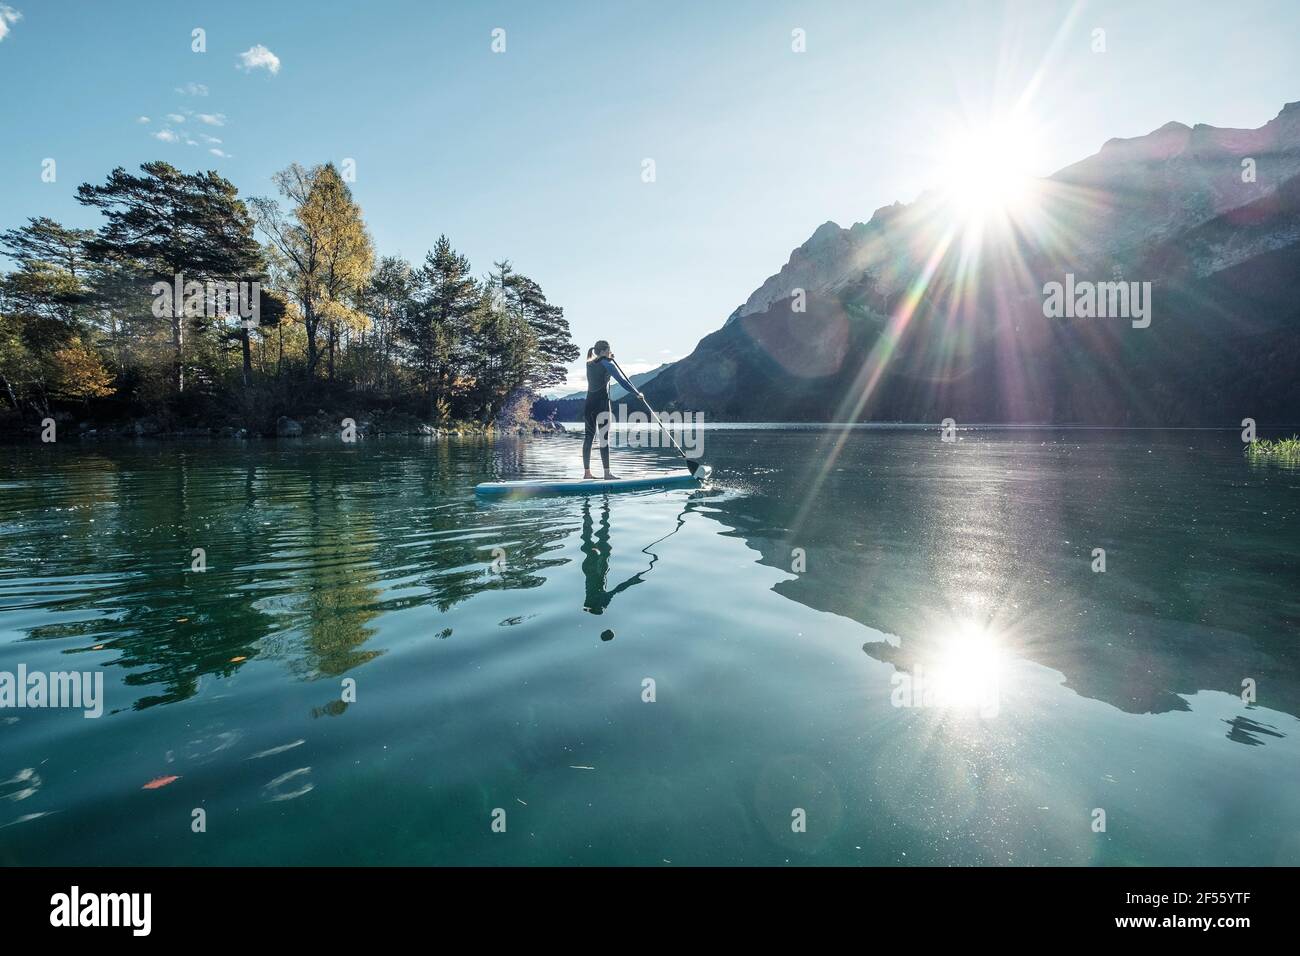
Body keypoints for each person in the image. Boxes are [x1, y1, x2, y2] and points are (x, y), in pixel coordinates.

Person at [583, 340, 641, 479]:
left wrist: (607, 359)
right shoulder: (607, 364)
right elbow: (622, 381)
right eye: (609, 350)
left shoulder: (589, 363)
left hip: (589, 404)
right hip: (602, 404)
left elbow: (598, 364)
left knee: (588, 437)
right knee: (604, 438)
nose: (610, 352)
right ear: (604, 351)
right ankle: (607, 474)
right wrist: (637, 393)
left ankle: (587, 473)